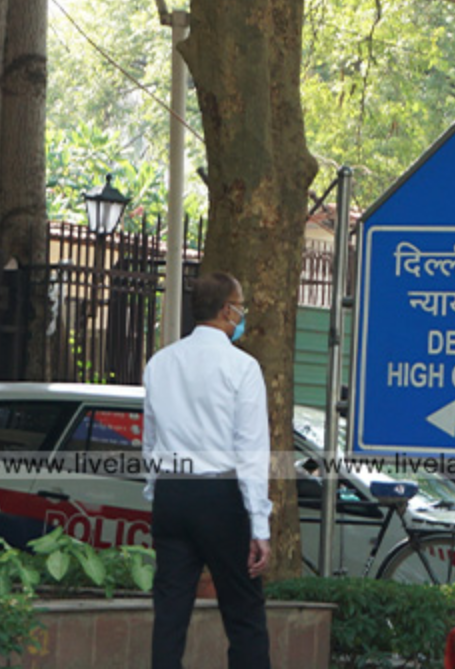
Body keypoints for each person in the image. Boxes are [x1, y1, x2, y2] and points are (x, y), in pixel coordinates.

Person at [143, 271, 271, 669]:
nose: (243, 314)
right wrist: (260, 526)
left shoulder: (160, 363)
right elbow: (251, 451)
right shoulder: (242, 367)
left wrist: (155, 492)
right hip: (221, 496)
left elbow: (151, 440)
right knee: (244, 614)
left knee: (169, 612)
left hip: (171, 493)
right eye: (241, 306)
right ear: (227, 310)